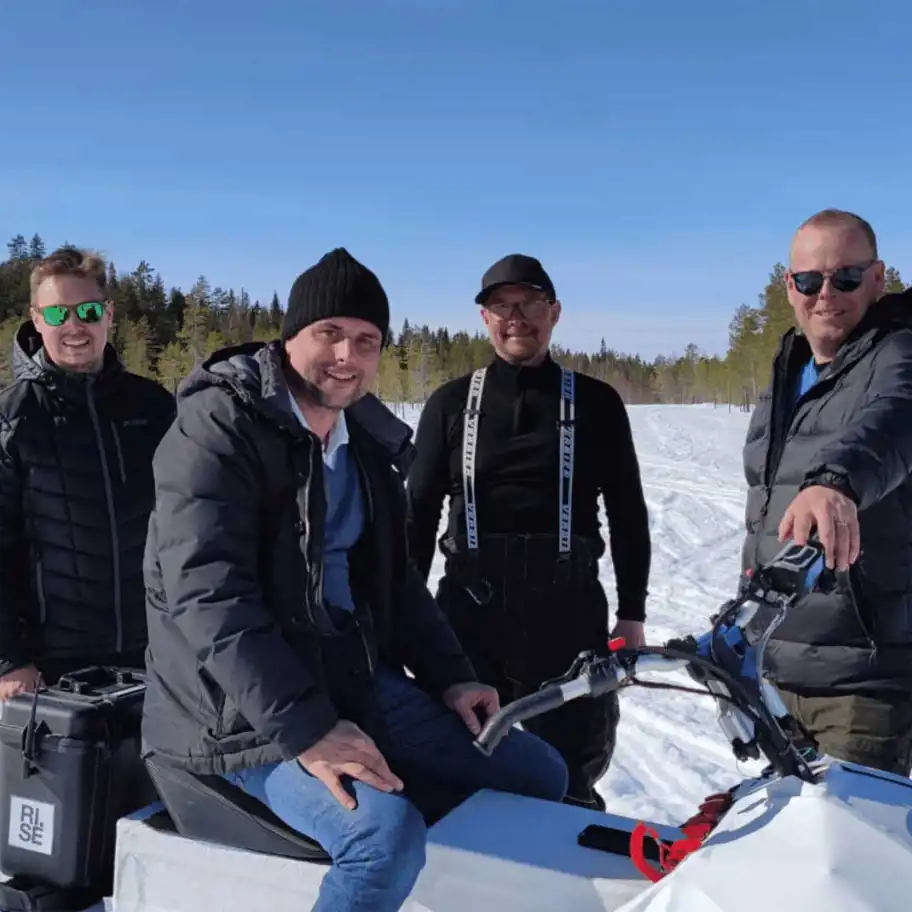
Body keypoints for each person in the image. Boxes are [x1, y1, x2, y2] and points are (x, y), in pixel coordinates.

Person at [139, 247, 568, 912]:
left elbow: (394, 587)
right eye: (329, 334)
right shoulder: (217, 430)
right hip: (232, 717)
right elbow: (210, 601)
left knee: (536, 771)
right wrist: (310, 732)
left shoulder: (364, 445)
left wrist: (454, 675)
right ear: (289, 340)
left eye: (366, 342)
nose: (347, 356)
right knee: (384, 836)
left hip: (346, 681)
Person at [406, 253, 651, 810]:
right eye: (501, 306)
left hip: (566, 606)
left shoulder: (596, 403)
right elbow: (415, 518)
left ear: (555, 312)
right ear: (485, 318)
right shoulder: (449, 404)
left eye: (531, 304)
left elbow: (628, 511)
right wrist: (404, 620)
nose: (517, 317)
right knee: (461, 753)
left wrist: (632, 613)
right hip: (470, 607)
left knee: (573, 758)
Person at [742, 208, 912, 775]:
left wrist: (835, 483)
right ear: (789, 285)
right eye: (809, 281)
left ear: (878, 278)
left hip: (862, 685)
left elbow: (892, 422)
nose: (825, 296)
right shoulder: (789, 368)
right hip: (776, 674)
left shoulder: (898, 352)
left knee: (851, 857)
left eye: (845, 278)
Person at [0, 246, 175, 699]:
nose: (74, 326)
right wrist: (9, 660)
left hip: (156, 652)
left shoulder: (154, 408)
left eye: (89, 310)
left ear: (109, 315)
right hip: (52, 667)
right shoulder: (12, 418)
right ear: (37, 320)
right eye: (58, 313)